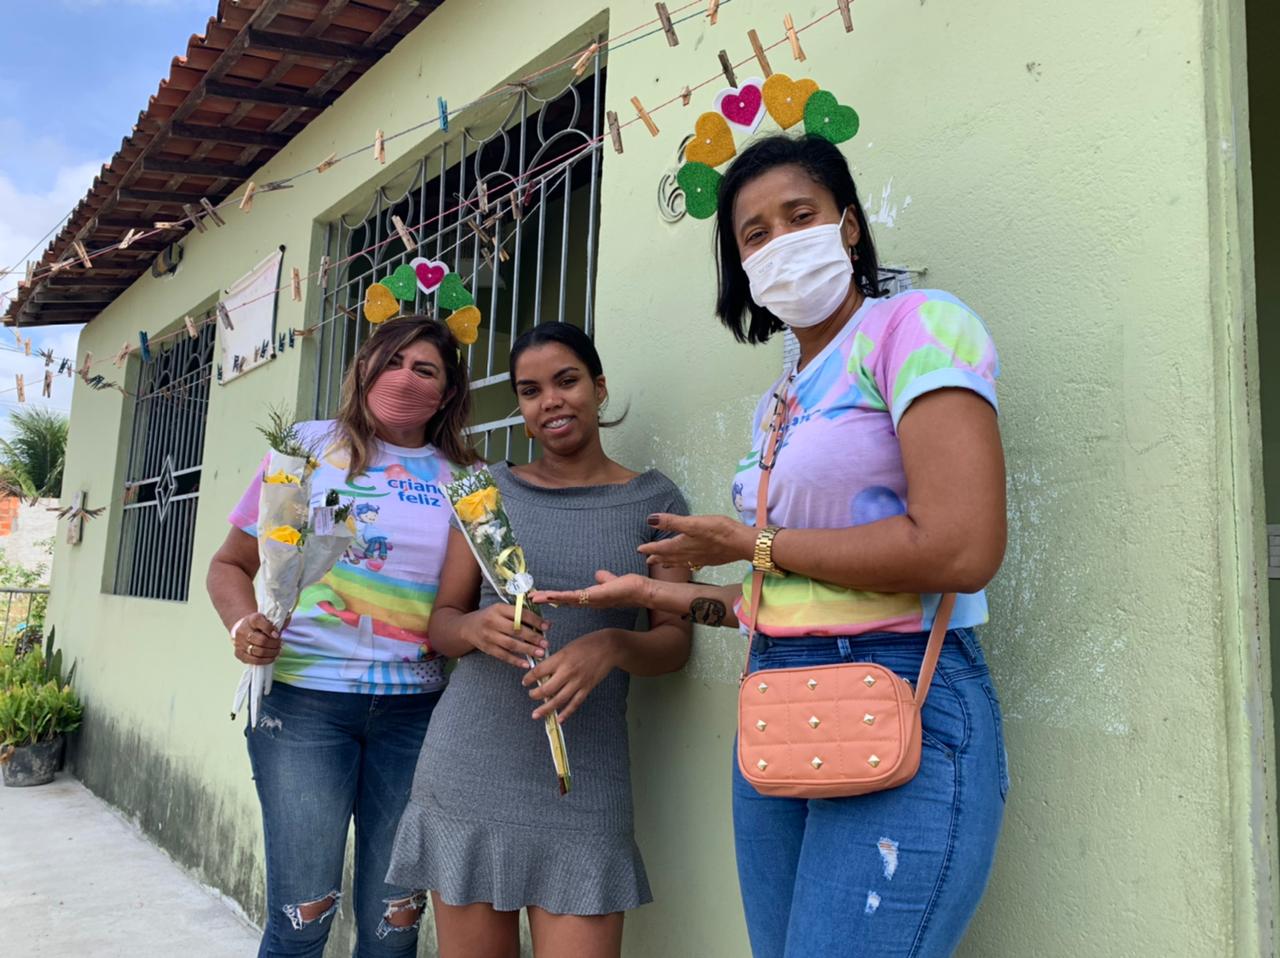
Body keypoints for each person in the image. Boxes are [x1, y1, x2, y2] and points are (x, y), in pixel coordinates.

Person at [539, 134, 1010, 957]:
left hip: (899, 681)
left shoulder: (916, 327)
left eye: (800, 215)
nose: (780, 243)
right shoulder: (780, 402)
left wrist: (754, 543)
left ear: (849, 226)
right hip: (778, 694)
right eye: (754, 234)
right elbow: (780, 595)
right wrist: (652, 596)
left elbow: (960, 549)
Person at [387, 322, 692, 958]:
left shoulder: (656, 503)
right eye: (530, 391)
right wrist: (475, 628)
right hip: (469, 769)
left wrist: (612, 646)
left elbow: (675, 641)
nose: (550, 401)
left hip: (583, 781)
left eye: (566, 381)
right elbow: (442, 623)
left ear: (598, 388)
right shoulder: (486, 494)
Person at [206, 315, 479, 957]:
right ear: (363, 368)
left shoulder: (467, 479)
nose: (403, 379)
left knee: (394, 930)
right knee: (302, 923)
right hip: (303, 708)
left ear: (447, 392)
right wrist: (244, 625)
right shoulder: (304, 449)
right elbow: (229, 566)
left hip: (417, 717)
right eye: (391, 361)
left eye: (424, 369)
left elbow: (470, 598)